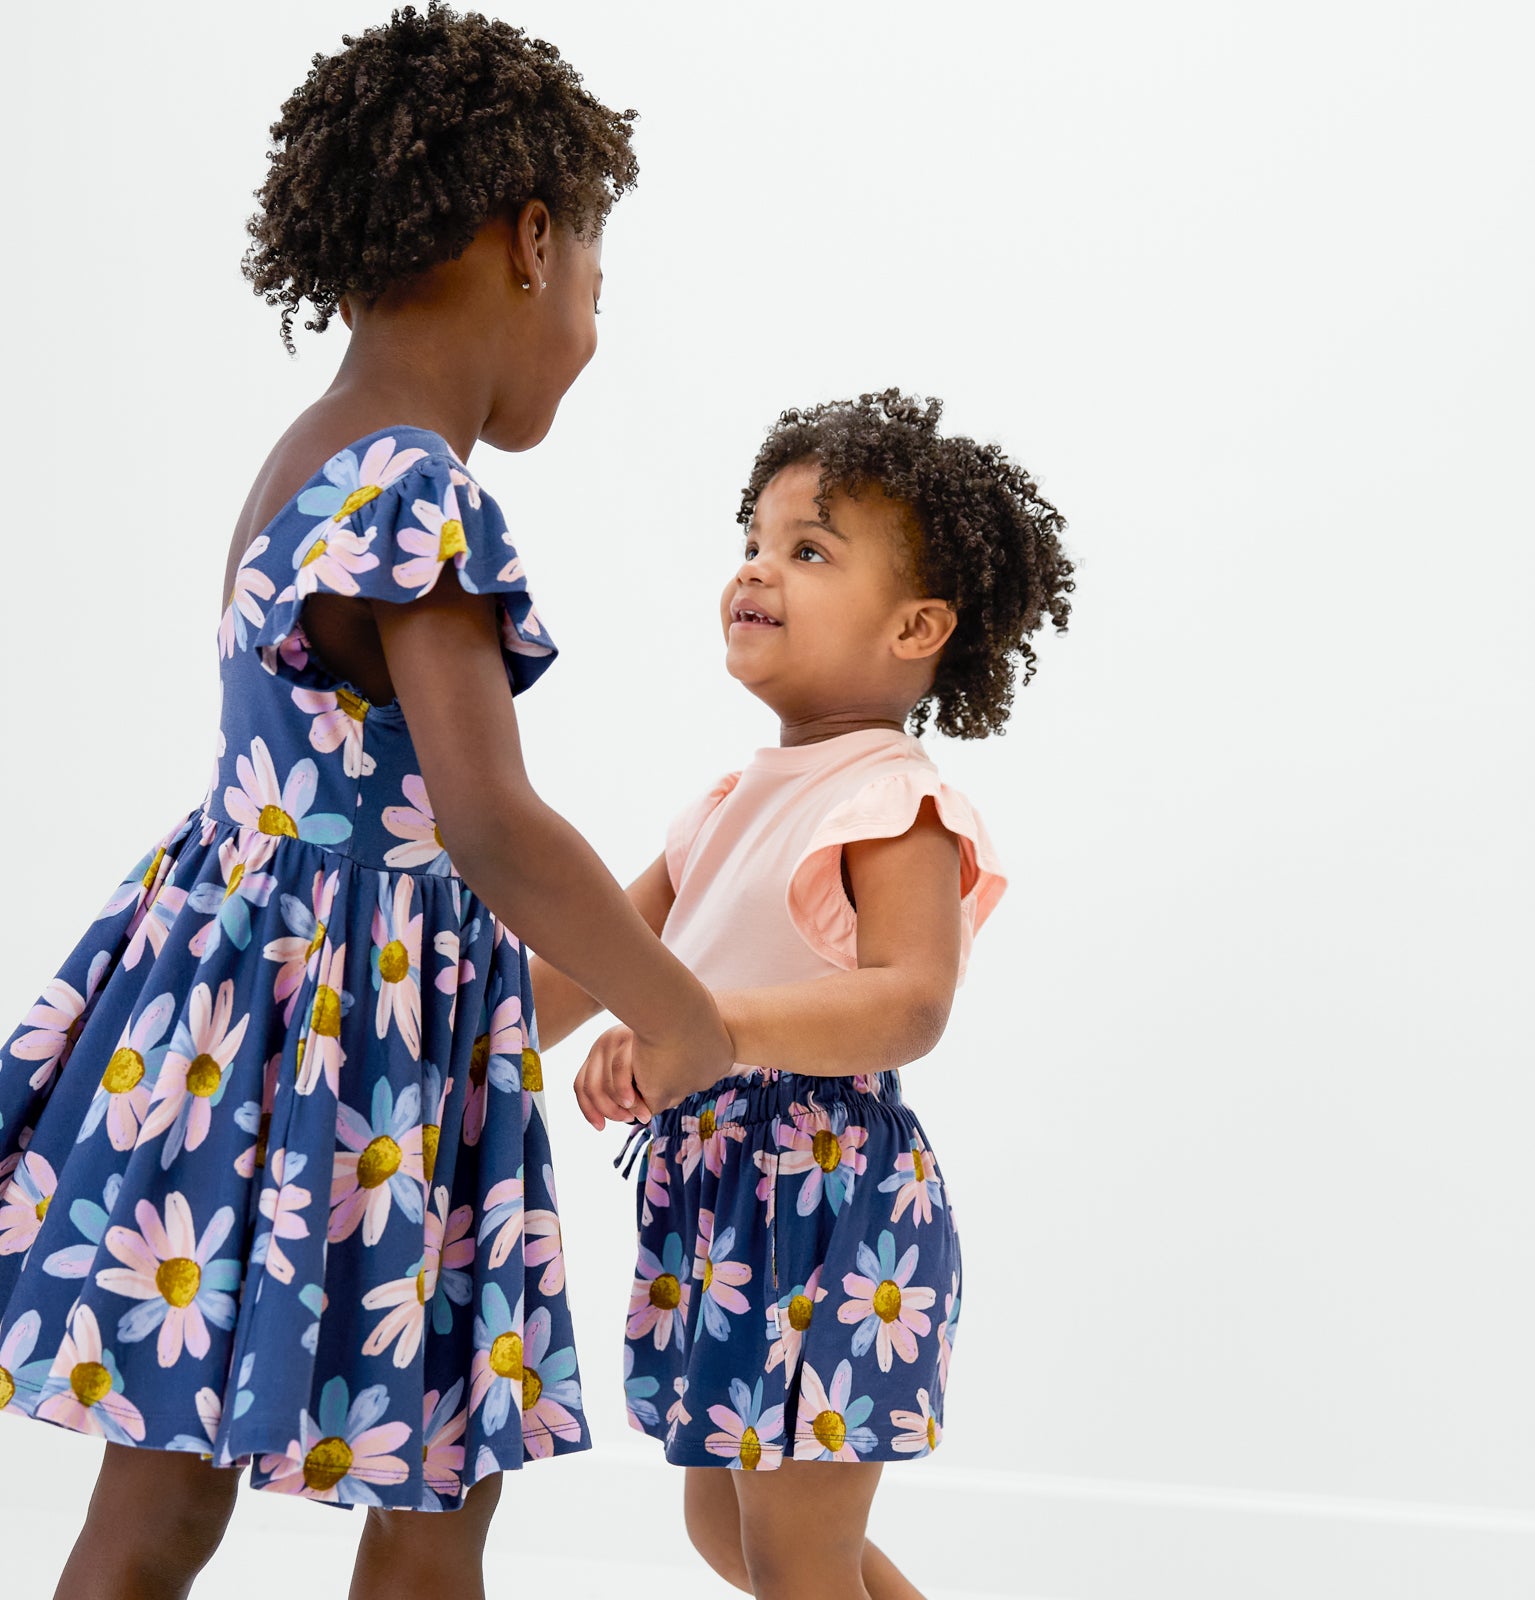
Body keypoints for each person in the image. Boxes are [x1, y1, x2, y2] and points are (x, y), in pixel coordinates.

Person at [0, 7, 731, 1599]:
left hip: (238, 1038)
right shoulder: (417, 486)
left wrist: (511, 1015)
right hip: (351, 1069)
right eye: (596, 284)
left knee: (159, 1502)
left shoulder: (302, 459)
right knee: (435, 1501)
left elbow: (364, 847)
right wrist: (677, 1013)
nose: (592, 333)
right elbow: (488, 822)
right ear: (532, 242)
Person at [530, 390, 1074, 1600]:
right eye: (754, 543)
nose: (756, 570)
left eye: (808, 550)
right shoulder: (726, 803)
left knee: (794, 1549)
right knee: (729, 1531)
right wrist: (445, 1037)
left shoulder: (890, 800)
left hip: (833, 1205)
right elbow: (590, 956)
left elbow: (912, 1002)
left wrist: (709, 1030)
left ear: (915, 625)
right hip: (722, 1206)